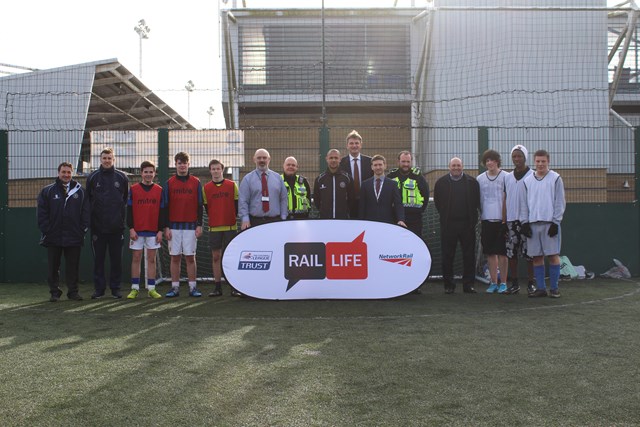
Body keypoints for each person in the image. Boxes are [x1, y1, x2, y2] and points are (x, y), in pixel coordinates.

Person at [37, 162, 90, 302]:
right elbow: (42, 213)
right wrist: (47, 230)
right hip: (53, 236)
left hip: (74, 236)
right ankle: (54, 292)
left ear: (72, 173)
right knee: (53, 267)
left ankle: (73, 292)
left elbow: (86, 213)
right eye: (63, 172)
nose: (66, 175)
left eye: (68, 172)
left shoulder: (81, 191)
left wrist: (81, 230)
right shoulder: (47, 191)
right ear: (58, 173)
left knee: (73, 267)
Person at [519, 149, 566, 298]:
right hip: (533, 224)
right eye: (538, 161)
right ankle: (540, 288)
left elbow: (560, 201)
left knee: (553, 255)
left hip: (549, 223)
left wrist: (555, 222)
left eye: (543, 161)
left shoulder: (556, 178)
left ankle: (554, 288)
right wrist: (525, 223)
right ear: (534, 162)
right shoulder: (527, 181)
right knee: (537, 257)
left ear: (548, 162)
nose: (540, 164)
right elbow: (524, 204)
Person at [86, 147, 129, 299]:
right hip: (98, 229)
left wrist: (119, 219)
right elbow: (88, 201)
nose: (107, 160)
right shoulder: (92, 178)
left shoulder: (122, 177)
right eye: (104, 158)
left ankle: (116, 289)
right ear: (100, 159)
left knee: (116, 261)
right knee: (98, 261)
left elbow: (124, 199)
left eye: (109, 158)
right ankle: (99, 290)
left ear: (113, 160)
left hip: (116, 228)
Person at [433, 157, 480, 294]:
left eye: (458, 165)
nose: (456, 168)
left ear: (462, 166)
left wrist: (472, 220)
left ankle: (468, 285)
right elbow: (437, 202)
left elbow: (476, 201)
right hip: (449, 225)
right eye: (453, 165)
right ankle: (449, 285)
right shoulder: (441, 183)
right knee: (448, 255)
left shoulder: (472, 182)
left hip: (467, 224)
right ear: (449, 167)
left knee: (469, 255)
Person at [162, 152, 204, 298]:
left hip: (191, 226)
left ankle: (193, 287)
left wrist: (200, 224)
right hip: (173, 226)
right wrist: (166, 227)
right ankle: (175, 288)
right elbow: (165, 207)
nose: (182, 165)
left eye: (184, 162)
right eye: (179, 163)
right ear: (175, 165)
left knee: (190, 257)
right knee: (175, 257)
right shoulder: (169, 183)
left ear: (188, 164)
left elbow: (200, 205)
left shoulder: (196, 182)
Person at [126, 161, 164, 299]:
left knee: (151, 259)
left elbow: (162, 212)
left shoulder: (159, 190)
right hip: (137, 231)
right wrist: (131, 228)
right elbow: (129, 211)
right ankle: (134, 288)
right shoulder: (134, 189)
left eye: (151, 172)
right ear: (141, 173)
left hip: (153, 231)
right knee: (136, 258)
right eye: (146, 172)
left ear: (154, 173)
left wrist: (160, 230)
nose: (148, 174)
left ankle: (152, 288)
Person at [203, 159, 241, 297]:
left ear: (222, 170)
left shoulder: (232, 185)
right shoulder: (206, 188)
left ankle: (233, 287)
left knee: (230, 257)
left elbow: (237, 206)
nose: (215, 171)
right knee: (216, 257)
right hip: (214, 228)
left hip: (231, 226)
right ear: (210, 171)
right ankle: (217, 287)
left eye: (218, 168)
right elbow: (207, 208)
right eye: (213, 169)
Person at [504, 144, 536, 295]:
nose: (517, 159)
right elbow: (505, 199)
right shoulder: (508, 177)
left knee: (530, 254)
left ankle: (531, 283)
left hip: (527, 221)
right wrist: (504, 221)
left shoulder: (533, 176)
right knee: (511, 253)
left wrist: (529, 220)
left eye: (520, 156)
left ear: (525, 157)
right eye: (514, 156)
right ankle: (515, 283)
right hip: (511, 220)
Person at [476, 149, 509, 294]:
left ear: (497, 161)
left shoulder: (507, 177)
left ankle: (504, 283)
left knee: (502, 253)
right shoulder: (480, 179)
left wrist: (505, 220)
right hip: (486, 221)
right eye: (487, 160)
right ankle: (493, 282)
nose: (490, 163)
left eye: (492, 160)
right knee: (490, 253)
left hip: (502, 222)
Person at [239, 148, 288, 230]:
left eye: (264, 158)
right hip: (254, 222)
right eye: (259, 158)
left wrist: (283, 218)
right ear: (254, 159)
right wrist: (245, 219)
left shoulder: (278, 178)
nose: (262, 160)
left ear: (269, 159)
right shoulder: (247, 179)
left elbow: (283, 199)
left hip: (275, 222)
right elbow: (243, 201)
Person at [387, 151, 430, 237]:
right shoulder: (391, 176)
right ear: (398, 162)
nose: (406, 164)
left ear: (411, 162)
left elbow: (426, 195)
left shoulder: (418, 177)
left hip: (414, 218)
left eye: (408, 162)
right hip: (395, 217)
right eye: (403, 161)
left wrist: (419, 211)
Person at [359, 154, 406, 227]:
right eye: (375, 165)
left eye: (380, 165)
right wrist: (361, 222)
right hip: (369, 223)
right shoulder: (365, 184)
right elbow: (362, 206)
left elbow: (398, 204)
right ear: (372, 167)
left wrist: (401, 219)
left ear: (385, 166)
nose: (378, 167)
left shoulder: (393, 184)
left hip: (387, 223)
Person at [339, 130, 373, 218]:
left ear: (361, 145)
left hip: (366, 202)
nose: (354, 146)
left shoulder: (370, 162)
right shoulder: (341, 163)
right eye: (351, 143)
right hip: (348, 204)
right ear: (347, 146)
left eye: (357, 143)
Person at [313, 149, 354, 219]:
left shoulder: (347, 178)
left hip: (343, 219)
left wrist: (345, 211)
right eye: (331, 158)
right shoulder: (319, 179)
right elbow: (317, 200)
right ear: (327, 159)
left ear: (340, 159)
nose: (333, 160)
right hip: (325, 219)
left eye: (336, 158)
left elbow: (352, 199)